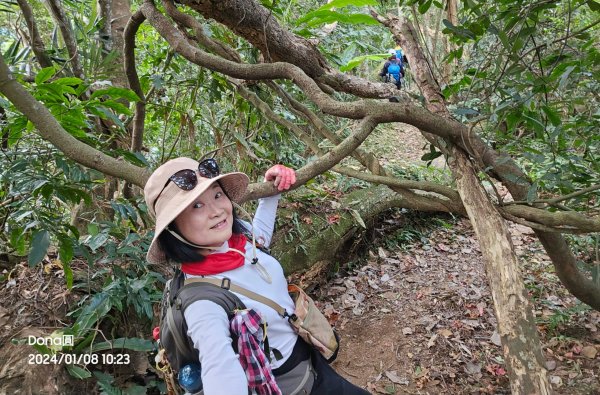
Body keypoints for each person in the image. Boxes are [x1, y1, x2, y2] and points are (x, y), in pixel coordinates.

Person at [144, 157, 370, 395]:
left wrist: (271, 190)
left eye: (217, 195)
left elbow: (258, 240)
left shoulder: (236, 240)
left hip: (310, 360)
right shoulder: (202, 304)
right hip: (292, 384)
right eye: (196, 206)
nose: (217, 210)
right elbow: (220, 369)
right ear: (172, 228)